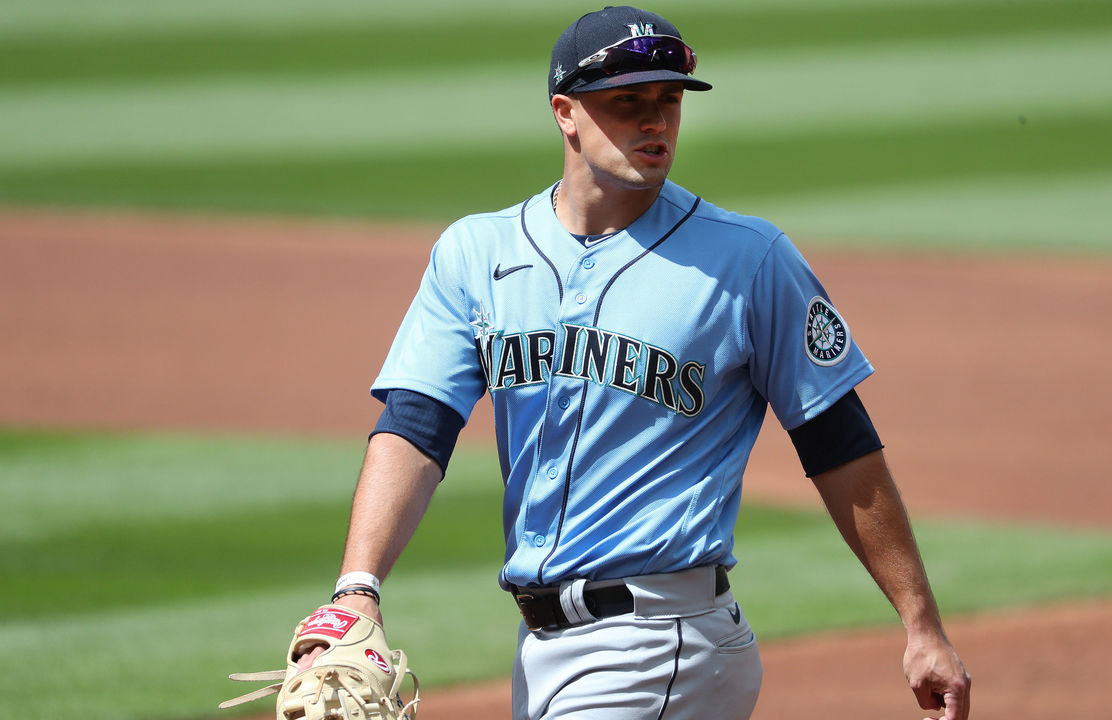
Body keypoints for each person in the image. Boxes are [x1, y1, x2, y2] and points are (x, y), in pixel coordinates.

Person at [306, 6, 970, 719]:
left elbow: (839, 443)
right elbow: (416, 425)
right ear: (565, 113)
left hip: (662, 642)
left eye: (669, 100)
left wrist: (921, 623)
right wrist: (357, 587)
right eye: (628, 102)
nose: (656, 121)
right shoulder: (476, 253)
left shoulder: (748, 261)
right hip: (542, 650)